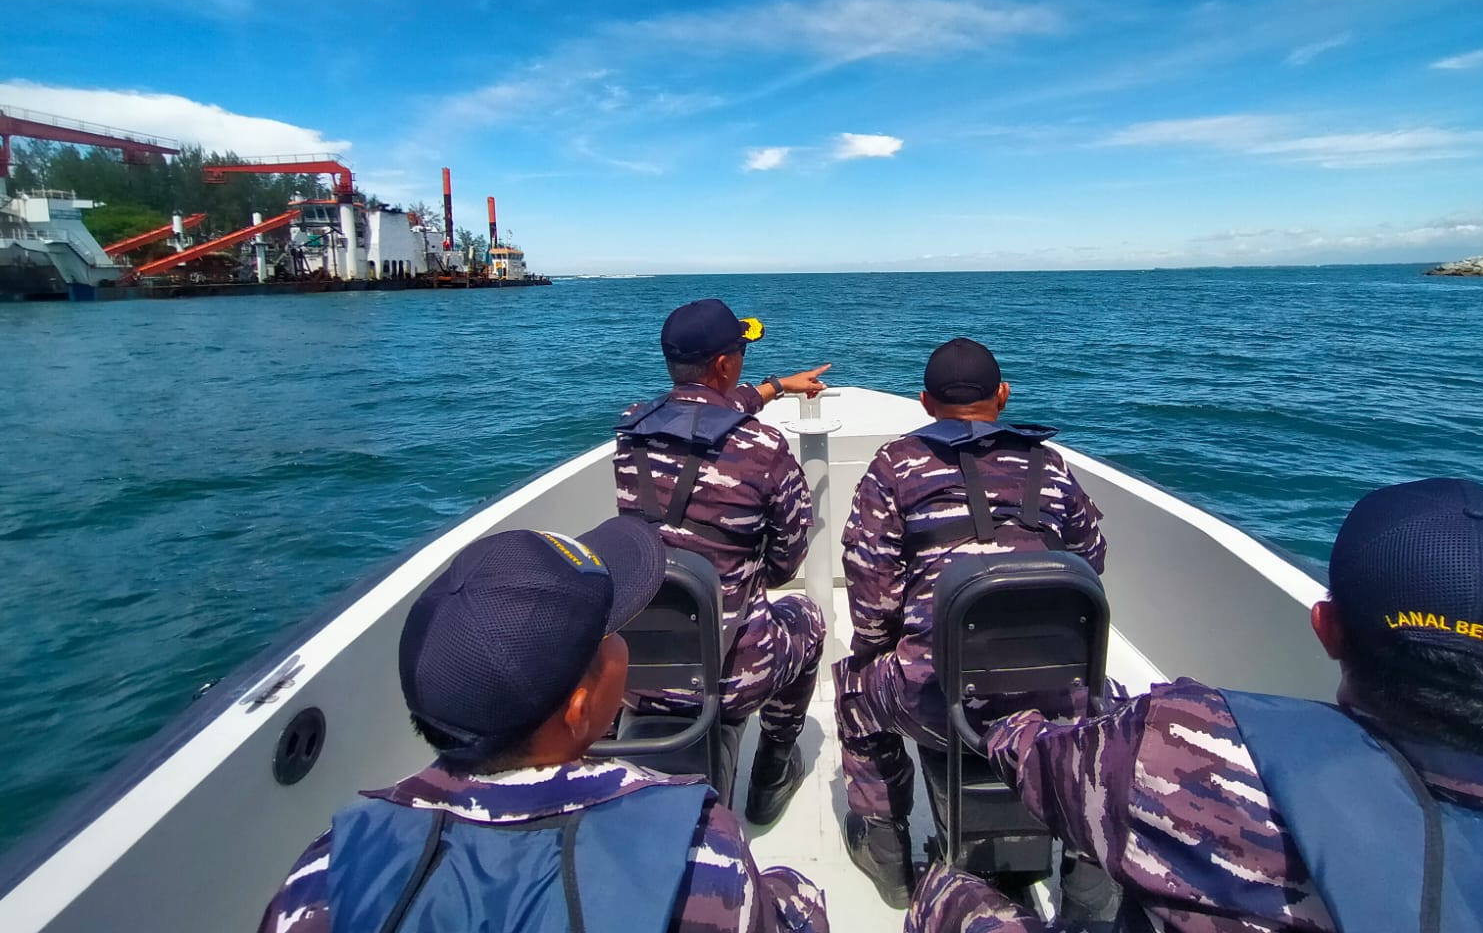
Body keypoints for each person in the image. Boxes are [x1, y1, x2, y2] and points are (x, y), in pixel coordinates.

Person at [907, 477, 1483, 933]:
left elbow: (1037, 762)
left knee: (946, 894)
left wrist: (1002, 717)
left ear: (1326, 628)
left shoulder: (1184, 746)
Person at [257, 518, 829, 933]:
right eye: (609, 636)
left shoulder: (322, 874)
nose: (625, 642)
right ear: (579, 711)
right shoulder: (706, 855)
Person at [834, 337, 1106, 906]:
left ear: (926, 403)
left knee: (855, 692)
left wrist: (882, 654)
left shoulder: (895, 466)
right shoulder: (1049, 467)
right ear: (1003, 396)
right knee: (1108, 727)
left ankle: (885, 857)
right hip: (1054, 703)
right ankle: (1088, 890)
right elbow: (1092, 563)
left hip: (939, 703)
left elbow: (870, 588)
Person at [614, 298, 831, 825]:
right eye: (739, 351)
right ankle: (774, 769)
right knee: (810, 621)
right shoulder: (765, 449)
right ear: (724, 365)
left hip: (634, 671)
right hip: (731, 677)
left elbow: (704, 411)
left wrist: (777, 387)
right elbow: (786, 560)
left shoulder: (630, 432)